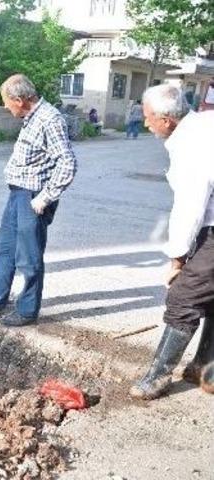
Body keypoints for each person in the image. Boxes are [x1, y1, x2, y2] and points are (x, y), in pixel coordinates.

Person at [0, 74, 77, 326]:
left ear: (19, 100)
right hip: (18, 193)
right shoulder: (32, 118)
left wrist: (46, 197)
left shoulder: (50, 119)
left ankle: (27, 310)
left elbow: (68, 162)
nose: (6, 108)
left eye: (7, 102)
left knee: (28, 257)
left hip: (33, 197)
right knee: (4, 248)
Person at [129, 84, 214, 400]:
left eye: (149, 117)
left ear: (167, 119)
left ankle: (157, 377)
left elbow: (191, 207)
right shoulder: (204, 123)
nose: (146, 123)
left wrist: (177, 259)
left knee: (183, 299)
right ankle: (205, 367)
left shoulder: (191, 143)